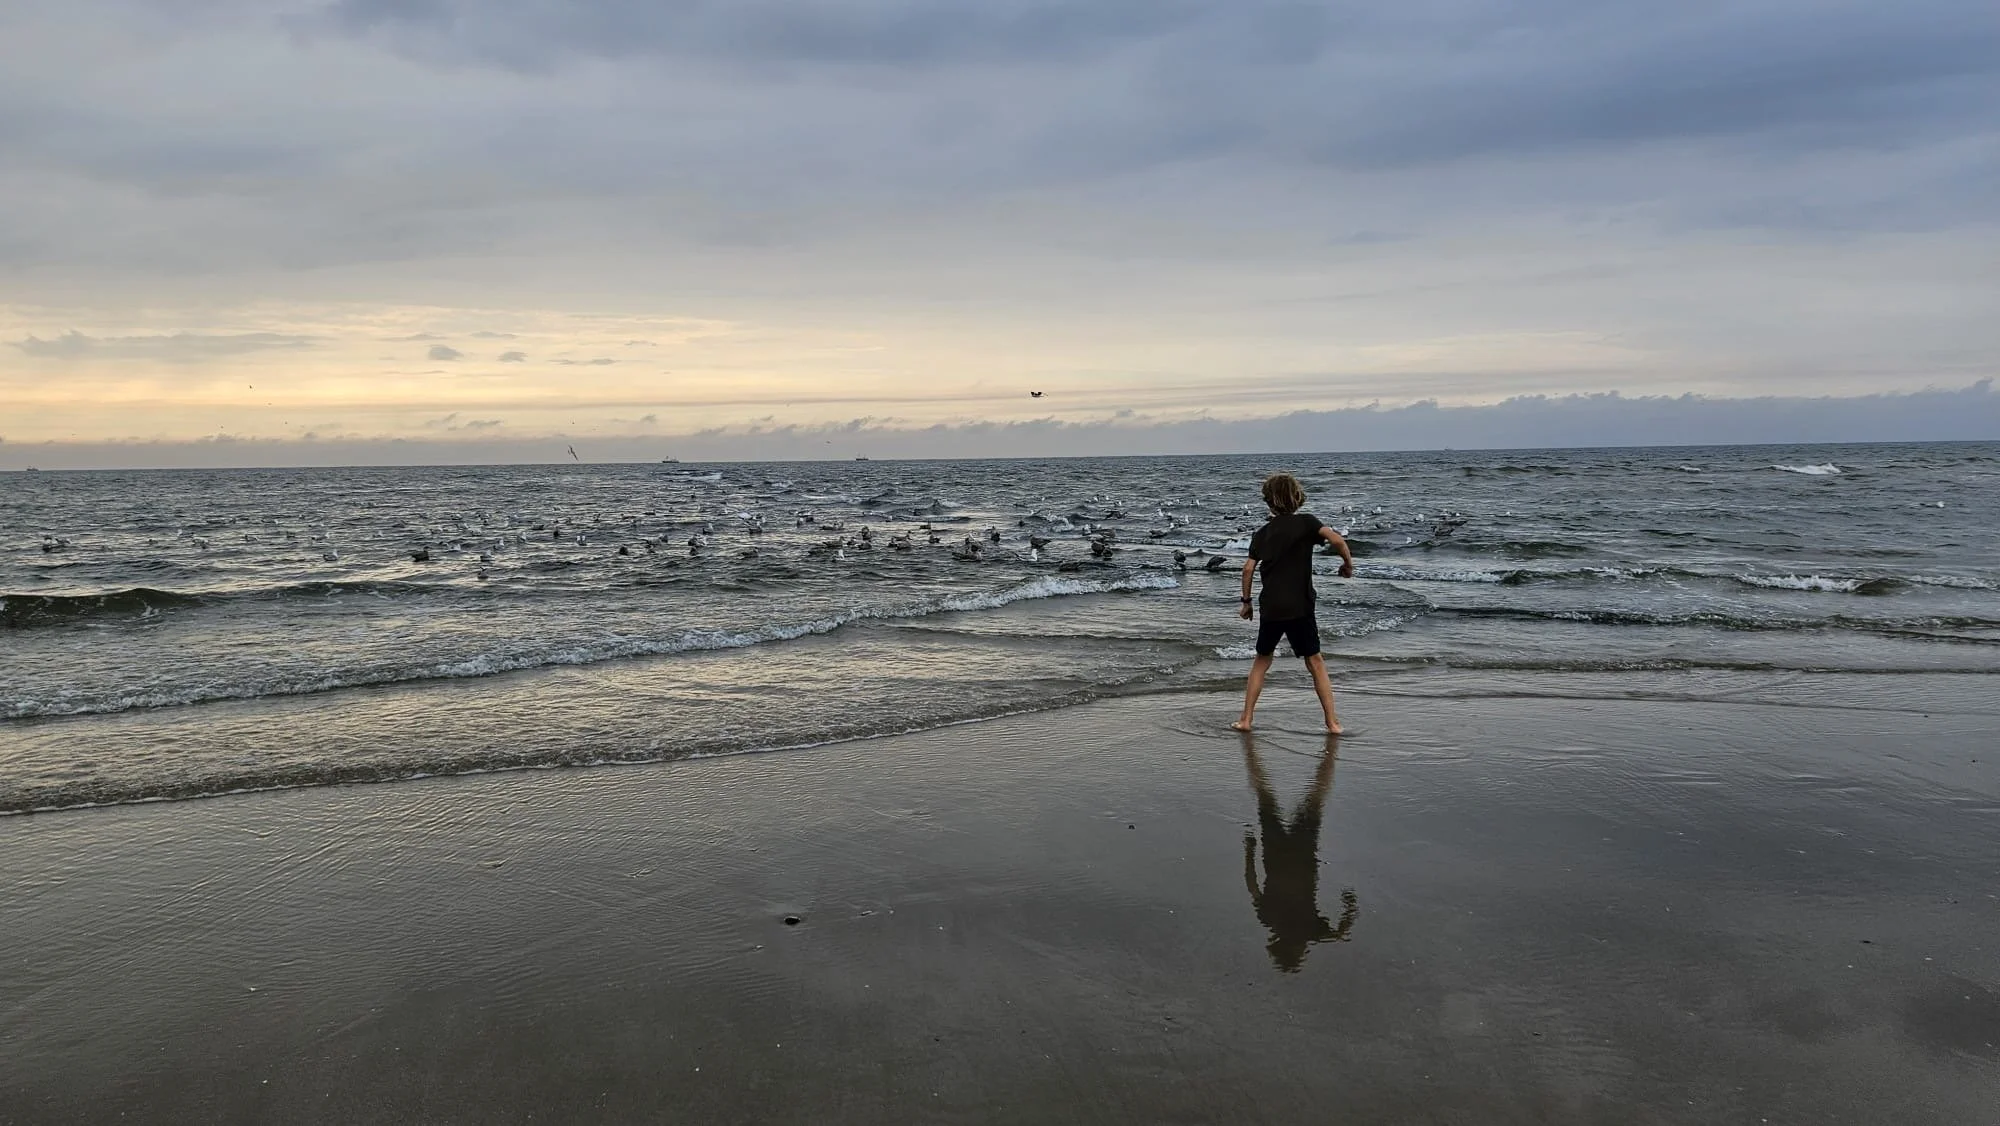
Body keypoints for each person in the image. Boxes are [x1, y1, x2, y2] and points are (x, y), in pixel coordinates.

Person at [1233, 472, 1354, 733]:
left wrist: (1246, 602)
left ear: (1269, 502)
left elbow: (1247, 569)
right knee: (1315, 662)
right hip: (1300, 606)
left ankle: (1246, 719)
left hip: (1272, 607)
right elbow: (1337, 539)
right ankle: (1332, 723)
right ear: (1297, 498)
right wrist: (1347, 563)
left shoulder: (1262, 533)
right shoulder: (1307, 523)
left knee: (1262, 661)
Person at [1241, 732, 1359, 972]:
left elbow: (1341, 932)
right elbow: (1251, 884)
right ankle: (1253, 754)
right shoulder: (1272, 919)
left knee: (1313, 800)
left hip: (1299, 854)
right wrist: (1250, 851)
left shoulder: (1310, 930)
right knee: (1267, 798)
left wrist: (1350, 906)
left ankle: (1329, 758)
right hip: (1278, 852)